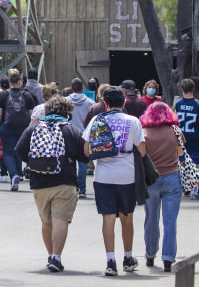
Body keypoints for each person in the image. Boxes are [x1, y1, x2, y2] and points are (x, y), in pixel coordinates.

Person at [15, 95, 90, 273]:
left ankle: (50, 255)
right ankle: (56, 257)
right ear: (67, 113)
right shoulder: (72, 130)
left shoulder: (33, 129)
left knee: (46, 221)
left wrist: (35, 164)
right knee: (61, 220)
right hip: (65, 182)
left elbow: (19, 150)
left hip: (39, 182)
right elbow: (83, 156)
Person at [83, 86, 146, 276]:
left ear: (105, 103)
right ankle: (128, 257)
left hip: (103, 175)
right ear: (124, 102)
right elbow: (142, 151)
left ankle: (111, 260)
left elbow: (86, 151)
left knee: (108, 217)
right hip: (127, 175)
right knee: (127, 216)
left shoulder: (96, 120)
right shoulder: (133, 121)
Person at [140, 101, 182, 273]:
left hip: (151, 179)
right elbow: (181, 152)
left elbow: (140, 154)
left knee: (151, 218)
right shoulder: (175, 131)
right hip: (172, 178)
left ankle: (150, 254)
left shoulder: (144, 133)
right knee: (170, 221)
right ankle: (168, 258)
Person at [0, 68, 35, 191]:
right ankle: (18, 175)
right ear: (21, 81)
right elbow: (32, 114)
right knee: (18, 152)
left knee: (7, 152)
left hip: (7, 127)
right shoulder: (27, 94)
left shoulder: (4, 94)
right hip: (23, 128)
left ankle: (14, 175)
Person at [174, 79, 199, 198]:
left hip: (182, 136)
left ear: (182, 90)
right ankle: (198, 188)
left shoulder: (178, 103)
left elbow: (174, 120)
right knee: (197, 161)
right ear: (193, 88)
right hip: (195, 135)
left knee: (182, 161)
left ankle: (185, 187)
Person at [67, 78, 95, 199]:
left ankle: (70, 187)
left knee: (68, 162)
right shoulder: (90, 102)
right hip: (84, 135)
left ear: (71, 88)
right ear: (82, 89)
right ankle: (82, 189)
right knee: (83, 163)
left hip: (69, 133)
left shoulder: (65, 101)